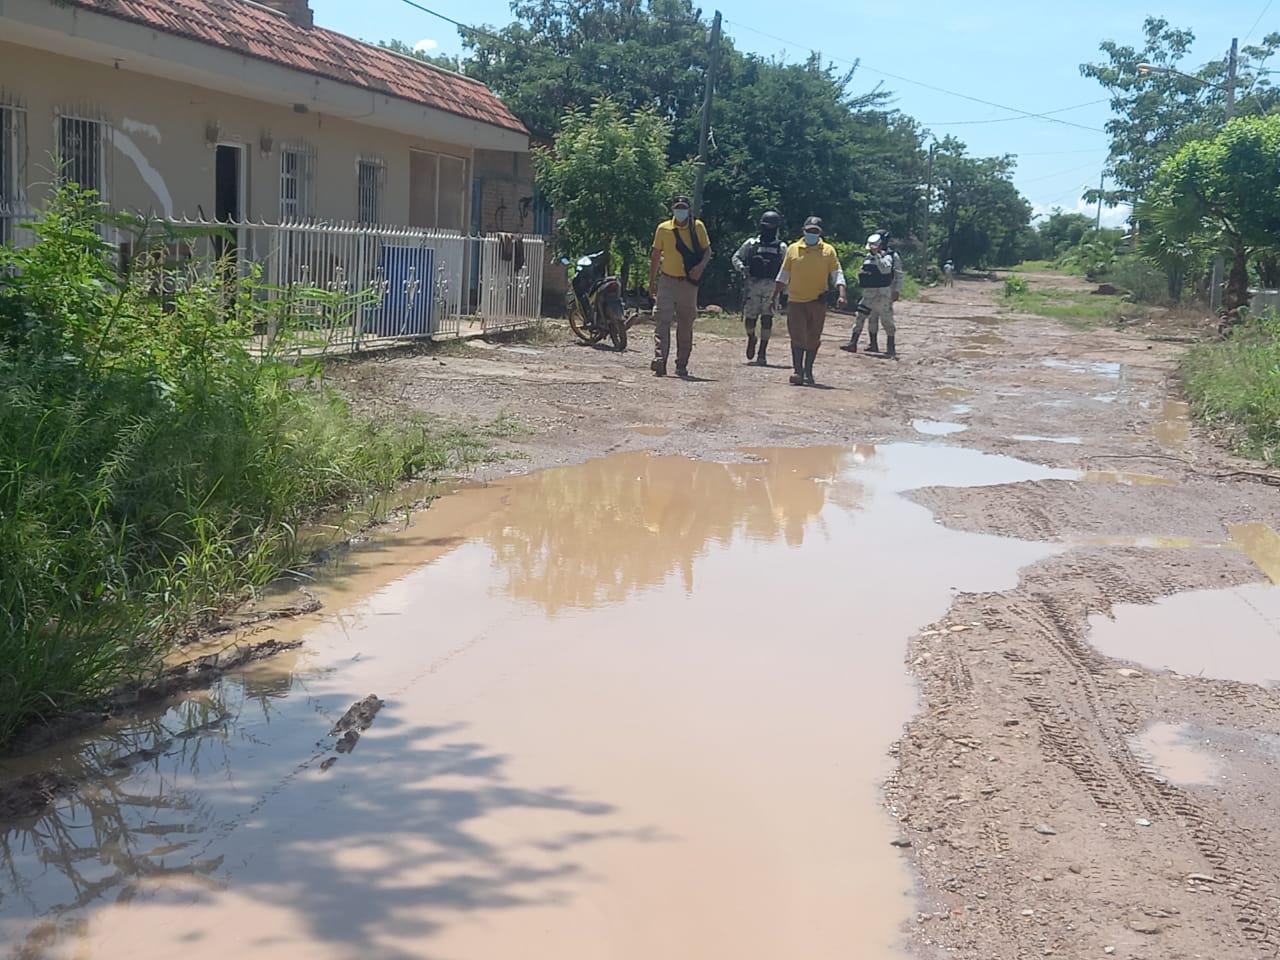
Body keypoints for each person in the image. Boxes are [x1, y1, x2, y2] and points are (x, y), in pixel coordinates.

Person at [770, 216, 846, 386]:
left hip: (817, 302)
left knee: (813, 337)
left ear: (820, 233)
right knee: (797, 336)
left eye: (815, 231)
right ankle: (797, 371)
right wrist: (773, 296)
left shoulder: (828, 251)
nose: (812, 233)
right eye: (809, 230)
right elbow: (783, 275)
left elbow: (837, 273)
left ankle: (808, 371)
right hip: (795, 301)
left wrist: (842, 293)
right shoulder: (793, 249)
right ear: (803, 230)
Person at [648, 196, 712, 378]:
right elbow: (655, 255)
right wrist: (652, 281)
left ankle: (682, 363)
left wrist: (700, 268)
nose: (680, 210)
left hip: (688, 283)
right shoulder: (663, 228)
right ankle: (660, 359)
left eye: (683, 207)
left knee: (685, 324)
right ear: (672, 209)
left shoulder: (697, 227)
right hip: (667, 280)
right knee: (662, 320)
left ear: (689, 210)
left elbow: (707, 251)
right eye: (677, 207)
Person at [731, 211, 787, 367]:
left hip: (772, 286)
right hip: (752, 284)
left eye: (772, 227)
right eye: (766, 226)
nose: (768, 229)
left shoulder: (781, 247)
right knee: (750, 319)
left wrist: (785, 291)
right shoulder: (751, 244)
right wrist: (742, 268)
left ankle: (762, 352)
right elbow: (736, 257)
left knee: (767, 318)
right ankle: (751, 338)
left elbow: (788, 267)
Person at [842, 233, 899, 359]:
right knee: (860, 316)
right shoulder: (868, 257)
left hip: (883, 295)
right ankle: (854, 342)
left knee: (886, 320)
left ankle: (891, 347)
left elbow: (886, 270)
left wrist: (877, 256)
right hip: (869, 293)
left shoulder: (887, 257)